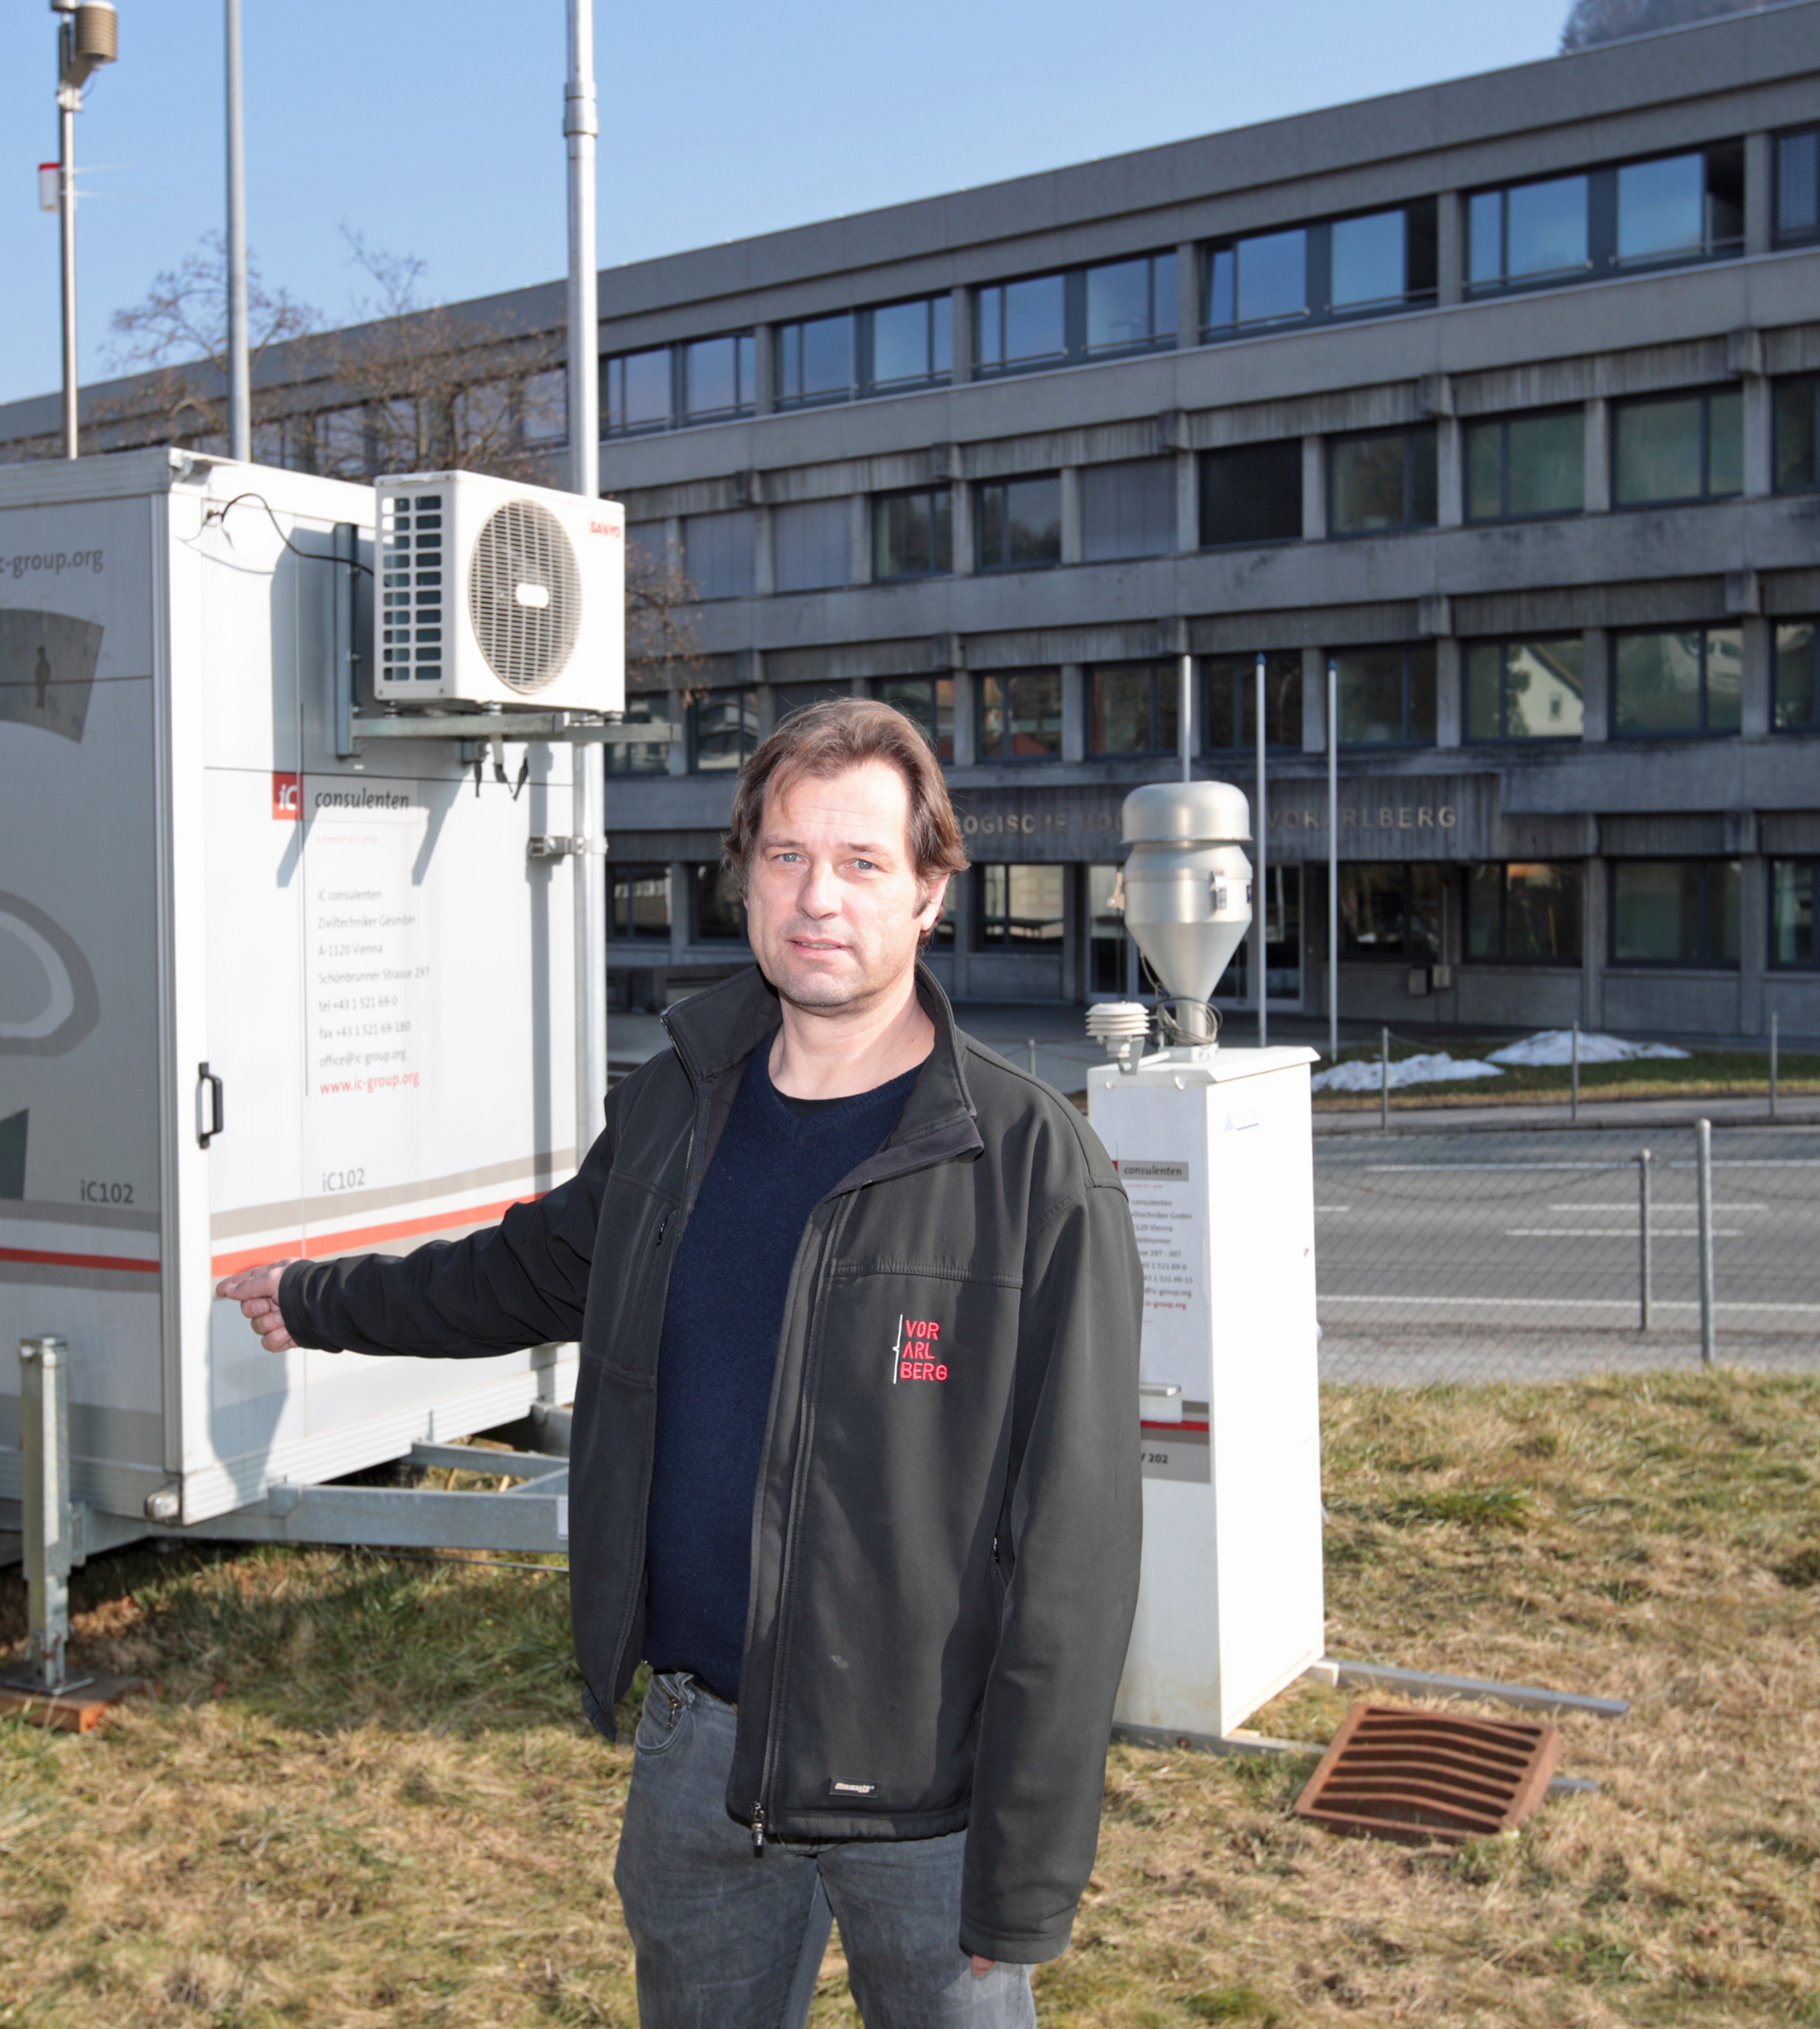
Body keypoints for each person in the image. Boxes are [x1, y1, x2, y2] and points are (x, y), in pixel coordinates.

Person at [218, 697, 1142, 2027]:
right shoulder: (679, 1098)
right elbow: (530, 1273)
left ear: (932, 890)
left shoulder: (1030, 1164)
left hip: (925, 1797)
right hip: (695, 1756)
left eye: (862, 862)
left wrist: (1027, 1878)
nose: (816, 897)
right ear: (746, 876)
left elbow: (1078, 1552)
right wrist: (316, 1299)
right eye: (783, 856)